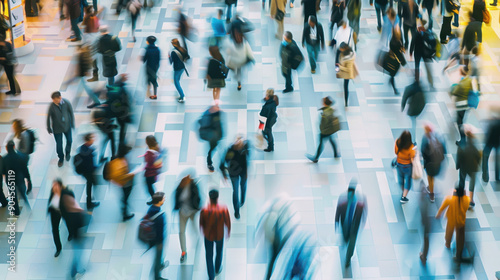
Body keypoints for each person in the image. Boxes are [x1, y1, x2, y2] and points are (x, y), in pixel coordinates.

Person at [58, 178, 89, 279]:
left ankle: (77, 270)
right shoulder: (74, 214)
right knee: (77, 256)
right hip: (77, 238)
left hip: (76, 236)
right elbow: (82, 223)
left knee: (77, 255)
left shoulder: (65, 205)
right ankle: (74, 273)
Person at [334, 178, 367, 267]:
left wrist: (363, 221)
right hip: (344, 224)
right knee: (345, 239)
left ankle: (348, 258)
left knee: (352, 242)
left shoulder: (360, 200)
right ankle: (345, 241)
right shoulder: (342, 198)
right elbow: (338, 211)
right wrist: (336, 222)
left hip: (354, 225)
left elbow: (364, 211)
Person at [200, 189, 231, 280]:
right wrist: (228, 231)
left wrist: (203, 231)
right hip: (219, 234)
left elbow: (201, 223)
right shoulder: (223, 208)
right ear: (217, 197)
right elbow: (227, 222)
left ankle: (211, 276)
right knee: (219, 252)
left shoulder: (204, 210)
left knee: (209, 255)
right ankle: (217, 268)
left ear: (209, 197)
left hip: (208, 235)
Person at [435, 187, 470, 262]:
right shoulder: (467, 199)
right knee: (460, 236)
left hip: (451, 219)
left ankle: (448, 243)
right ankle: (459, 249)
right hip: (461, 220)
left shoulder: (450, 199)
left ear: (455, 191)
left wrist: (438, 214)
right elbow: (466, 208)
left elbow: (442, 207)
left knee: (449, 231)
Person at [174, 173, 201, 263]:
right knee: (181, 232)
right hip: (182, 212)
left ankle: (198, 236)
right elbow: (176, 198)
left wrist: (197, 208)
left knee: (194, 227)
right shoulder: (180, 188)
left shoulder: (194, 186)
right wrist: (176, 207)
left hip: (192, 211)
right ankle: (183, 252)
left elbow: (198, 198)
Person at [220, 136, 249, 219]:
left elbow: (247, 159)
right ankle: (236, 211)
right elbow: (222, 163)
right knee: (235, 191)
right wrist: (224, 175)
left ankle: (242, 201)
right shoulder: (230, 150)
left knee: (243, 186)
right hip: (233, 173)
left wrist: (247, 172)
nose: (240, 146)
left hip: (243, 172)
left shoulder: (245, 146)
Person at [306, 96, 340, 162]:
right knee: (331, 140)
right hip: (331, 130)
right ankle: (336, 154)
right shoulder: (331, 109)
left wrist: (322, 131)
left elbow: (323, 124)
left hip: (325, 132)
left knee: (321, 144)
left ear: (324, 103)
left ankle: (316, 158)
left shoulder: (325, 113)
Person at [2, 141, 31, 216]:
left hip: (10, 180)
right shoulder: (20, 157)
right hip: (19, 179)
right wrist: (28, 179)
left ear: (6, 148)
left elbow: (2, 171)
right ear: (14, 147)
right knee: (23, 193)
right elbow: (25, 169)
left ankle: (16, 212)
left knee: (13, 196)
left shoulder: (4, 159)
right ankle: (28, 207)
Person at [108, 144, 136, 221]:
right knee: (125, 197)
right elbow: (125, 175)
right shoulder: (123, 161)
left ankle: (124, 206)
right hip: (126, 183)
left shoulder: (116, 159)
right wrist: (132, 174)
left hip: (121, 183)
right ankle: (125, 212)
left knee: (124, 196)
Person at [47, 91, 75, 167]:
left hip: (67, 126)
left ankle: (68, 153)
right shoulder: (52, 106)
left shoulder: (66, 103)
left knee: (69, 140)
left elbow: (71, 113)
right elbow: (48, 117)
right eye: (53, 100)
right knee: (59, 145)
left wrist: (72, 123)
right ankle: (61, 158)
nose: (54, 101)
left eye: (56, 100)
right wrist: (48, 127)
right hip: (57, 128)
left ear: (60, 98)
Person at [104, 74, 132, 148]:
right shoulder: (122, 89)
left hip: (113, 112)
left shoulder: (113, 87)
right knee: (123, 128)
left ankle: (120, 143)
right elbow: (125, 101)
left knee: (119, 128)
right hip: (121, 113)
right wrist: (128, 110)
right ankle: (122, 143)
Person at [421, 123, 446, 202]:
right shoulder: (439, 137)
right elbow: (444, 150)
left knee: (430, 176)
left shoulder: (425, 139)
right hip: (437, 163)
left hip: (429, 164)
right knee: (432, 176)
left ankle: (432, 194)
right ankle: (431, 187)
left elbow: (423, 151)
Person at [146, 192, 169, 280]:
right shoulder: (159, 216)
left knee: (159, 255)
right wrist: (160, 242)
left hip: (154, 238)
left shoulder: (151, 209)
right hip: (158, 241)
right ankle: (157, 276)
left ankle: (160, 264)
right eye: (163, 199)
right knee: (157, 257)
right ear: (159, 201)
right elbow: (159, 231)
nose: (164, 200)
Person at [456, 127, 481, 209]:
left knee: (462, 180)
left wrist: (458, 165)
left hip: (463, 166)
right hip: (473, 167)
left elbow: (459, 156)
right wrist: (477, 163)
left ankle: (462, 197)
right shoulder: (474, 144)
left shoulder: (462, 145)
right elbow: (478, 155)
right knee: (472, 182)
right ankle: (471, 199)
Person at [75, 133, 100, 209]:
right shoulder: (89, 152)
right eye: (92, 138)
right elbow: (91, 165)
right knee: (90, 185)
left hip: (84, 172)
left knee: (90, 185)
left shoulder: (82, 148)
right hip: (88, 172)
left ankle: (89, 201)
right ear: (88, 140)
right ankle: (89, 203)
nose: (93, 140)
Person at [47, 179, 71, 258]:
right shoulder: (52, 192)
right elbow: (50, 201)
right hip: (55, 212)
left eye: (56, 185)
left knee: (68, 221)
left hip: (63, 210)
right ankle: (58, 248)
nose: (54, 187)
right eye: (53, 186)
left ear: (60, 186)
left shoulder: (65, 192)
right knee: (55, 230)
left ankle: (71, 233)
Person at [450, 67, 472, 146]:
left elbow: (454, 92)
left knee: (459, 123)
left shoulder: (461, 83)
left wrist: (454, 85)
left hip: (460, 106)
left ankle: (463, 140)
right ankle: (464, 139)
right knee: (462, 121)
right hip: (467, 105)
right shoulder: (469, 80)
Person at [199, 105, 224, 172]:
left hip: (217, 137)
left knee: (218, 150)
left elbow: (219, 125)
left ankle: (220, 165)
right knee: (212, 150)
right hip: (212, 138)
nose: (218, 108)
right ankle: (210, 164)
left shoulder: (217, 114)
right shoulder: (208, 117)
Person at [395, 130, 415, 203]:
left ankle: (402, 191)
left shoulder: (397, 142)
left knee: (401, 179)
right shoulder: (411, 147)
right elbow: (412, 157)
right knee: (408, 180)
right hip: (408, 166)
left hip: (399, 164)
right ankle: (404, 196)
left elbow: (395, 152)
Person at [143, 135, 165, 199]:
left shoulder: (150, 153)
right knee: (153, 186)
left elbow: (149, 163)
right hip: (155, 173)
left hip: (150, 173)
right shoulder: (157, 148)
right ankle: (155, 198)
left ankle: (154, 199)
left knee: (149, 187)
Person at [336, 43, 358, 107]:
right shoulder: (342, 52)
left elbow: (348, 69)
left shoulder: (349, 57)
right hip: (347, 69)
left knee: (345, 86)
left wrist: (340, 67)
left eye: (341, 49)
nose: (340, 49)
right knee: (345, 85)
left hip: (347, 73)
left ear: (344, 49)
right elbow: (337, 60)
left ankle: (346, 102)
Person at [387, 26, 406, 95]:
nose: (399, 34)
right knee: (393, 73)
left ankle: (391, 78)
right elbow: (395, 51)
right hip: (395, 60)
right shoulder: (393, 42)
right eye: (398, 34)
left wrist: (402, 48)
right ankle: (394, 88)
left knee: (394, 72)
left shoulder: (399, 39)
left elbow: (401, 44)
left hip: (398, 59)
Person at [170, 38, 188, 103]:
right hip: (182, 67)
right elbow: (187, 57)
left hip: (177, 68)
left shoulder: (173, 52)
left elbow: (171, 62)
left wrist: (169, 57)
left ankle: (182, 96)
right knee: (178, 80)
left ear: (173, 44)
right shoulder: (182, 49)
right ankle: (181, 95)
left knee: (176, 82)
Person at [482, 118, 500, 183]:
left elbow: (487, 134)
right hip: (497, 143)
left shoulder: (493, 122)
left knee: (485, 158)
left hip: (489, 143)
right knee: (497, 161)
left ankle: (485, 177)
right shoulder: (496, 123)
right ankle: (497, 177)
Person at [143, 36, 161, 100]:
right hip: (155, 67)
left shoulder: (147, 50)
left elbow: (144, 60)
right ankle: (154, 93)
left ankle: (151, 92)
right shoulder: (157, 49)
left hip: (148, 67)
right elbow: (159, 59)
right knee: (154, 79)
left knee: (150, 79)